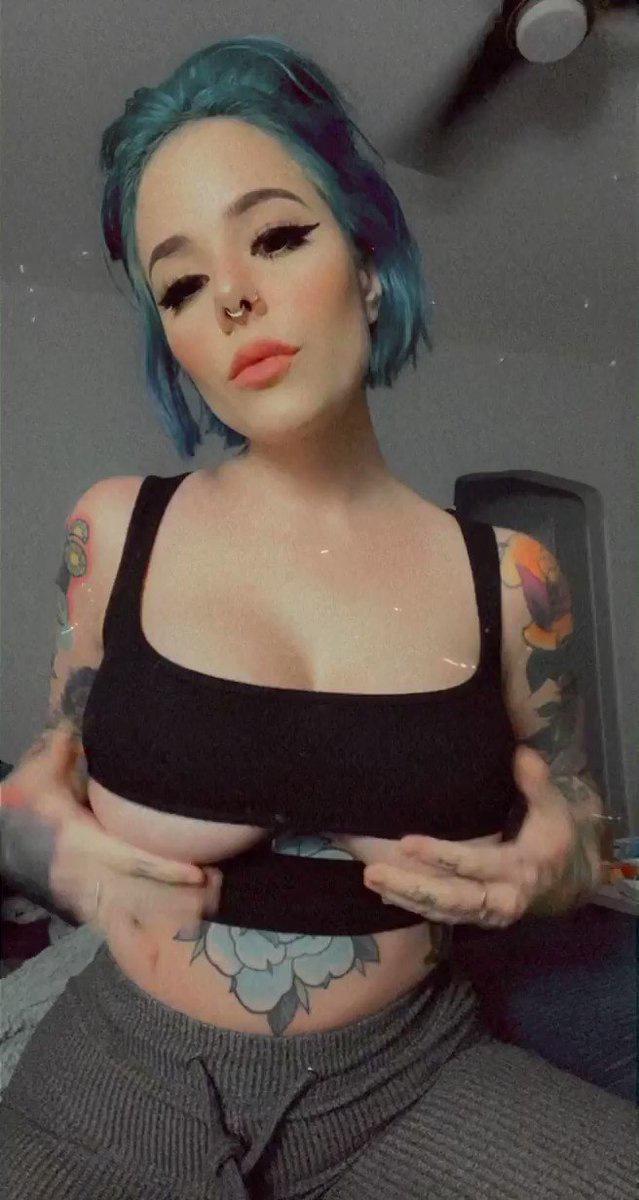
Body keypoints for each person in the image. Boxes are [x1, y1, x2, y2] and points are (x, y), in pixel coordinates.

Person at [0, 34, 636, 1200]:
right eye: (181, 285)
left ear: (371, 264)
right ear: (176, 343)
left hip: (408, 1080)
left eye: (278, 236)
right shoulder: (115, 531)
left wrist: (538, 865)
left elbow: (581, 819)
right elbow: (40, 779)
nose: (232, 296)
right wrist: (53, 850)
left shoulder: (514, 579)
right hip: (120, 1080)